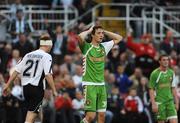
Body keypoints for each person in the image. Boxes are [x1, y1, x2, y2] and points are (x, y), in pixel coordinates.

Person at [3, 34, 58, 123]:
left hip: (26, 89)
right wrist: (54, 90)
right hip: (37, 88)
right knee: (31, 116)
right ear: (48, 45)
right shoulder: (47, 56)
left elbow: (16, 71)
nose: (51, 48)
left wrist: (7, 85)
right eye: (51, 46)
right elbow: (48, 75)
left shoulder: (28, 55)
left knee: (37, 113)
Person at [78, 25, 123, 123]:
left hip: (101, 86)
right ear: (92, 35)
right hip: (89, 85)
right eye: (98, 33)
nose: (101, 35)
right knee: (90, 117)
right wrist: (89, 30)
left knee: (102, 116)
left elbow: (119, 38)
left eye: (102, 33)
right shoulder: (87, 47)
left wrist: (105, 31)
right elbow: (80, 37)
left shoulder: (104, 47)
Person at [148, 54, 179, 123]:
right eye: (164, 60)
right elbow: (151, 89)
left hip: (170, 101)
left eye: (167, 60)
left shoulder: (171, 72)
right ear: (159, 62)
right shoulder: (154, 74)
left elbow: (173, 88)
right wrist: (153, 104)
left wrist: (177, 103)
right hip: (160, 102)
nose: (166, 61)